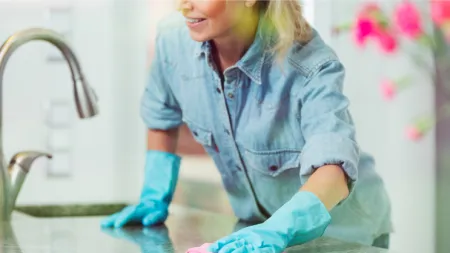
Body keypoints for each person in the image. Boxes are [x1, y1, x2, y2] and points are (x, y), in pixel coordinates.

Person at [101, 0, 393, 252]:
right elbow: (162, 117)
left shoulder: (311, 65)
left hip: (344, 236)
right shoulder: (173, 41)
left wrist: (280, 228)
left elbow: (334, 168)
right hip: (256, 229)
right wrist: (155, 194)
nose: (183, 4)